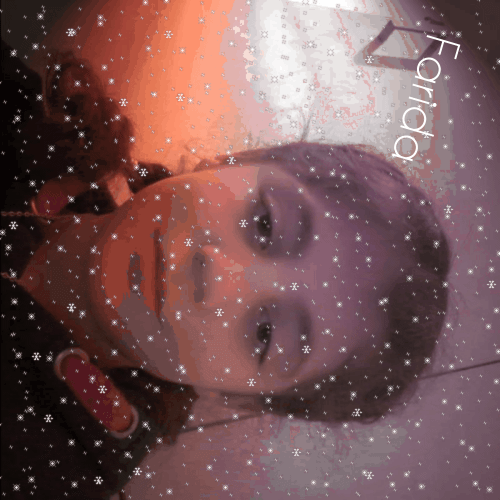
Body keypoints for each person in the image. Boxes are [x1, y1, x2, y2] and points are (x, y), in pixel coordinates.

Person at [1, 44, 452, 499]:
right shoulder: (34, 120)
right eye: (265, 224)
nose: (216, 279)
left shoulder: (48, 472)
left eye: (265, 335)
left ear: (236, 395)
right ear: (233, 162)